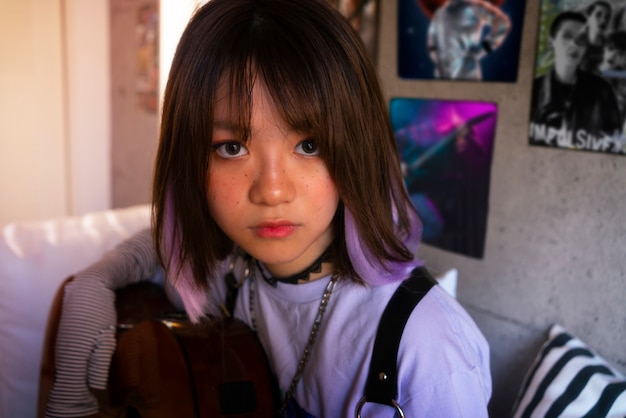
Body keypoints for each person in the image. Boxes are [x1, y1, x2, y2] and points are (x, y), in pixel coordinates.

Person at [46, 0, 492, 417]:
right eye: (232, 147)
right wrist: (93, 283)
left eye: (309, 144)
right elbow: (166, 247)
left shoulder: (428, 348)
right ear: (190, 161)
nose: (272, 191)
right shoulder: (235, 268)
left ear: (355, 147)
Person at [529, 10, 622, 152]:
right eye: (567, 36)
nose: (574, 44)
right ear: (551, 41)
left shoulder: (603, 92)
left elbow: (615, 146)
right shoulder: (531, 91)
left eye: (582, 38)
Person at [427, 0, 511, 80]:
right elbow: (432, 45)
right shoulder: (440, 13)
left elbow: (502, 24)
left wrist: (483, 48)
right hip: (443, 80)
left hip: (467, 78)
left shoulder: (476, 8)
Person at [580, 0, 613, 73]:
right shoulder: (577, 42)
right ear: (588, 16)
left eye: (607, 17)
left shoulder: (609, 46)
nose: (603, 21)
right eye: (598, 15)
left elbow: (609, 73)